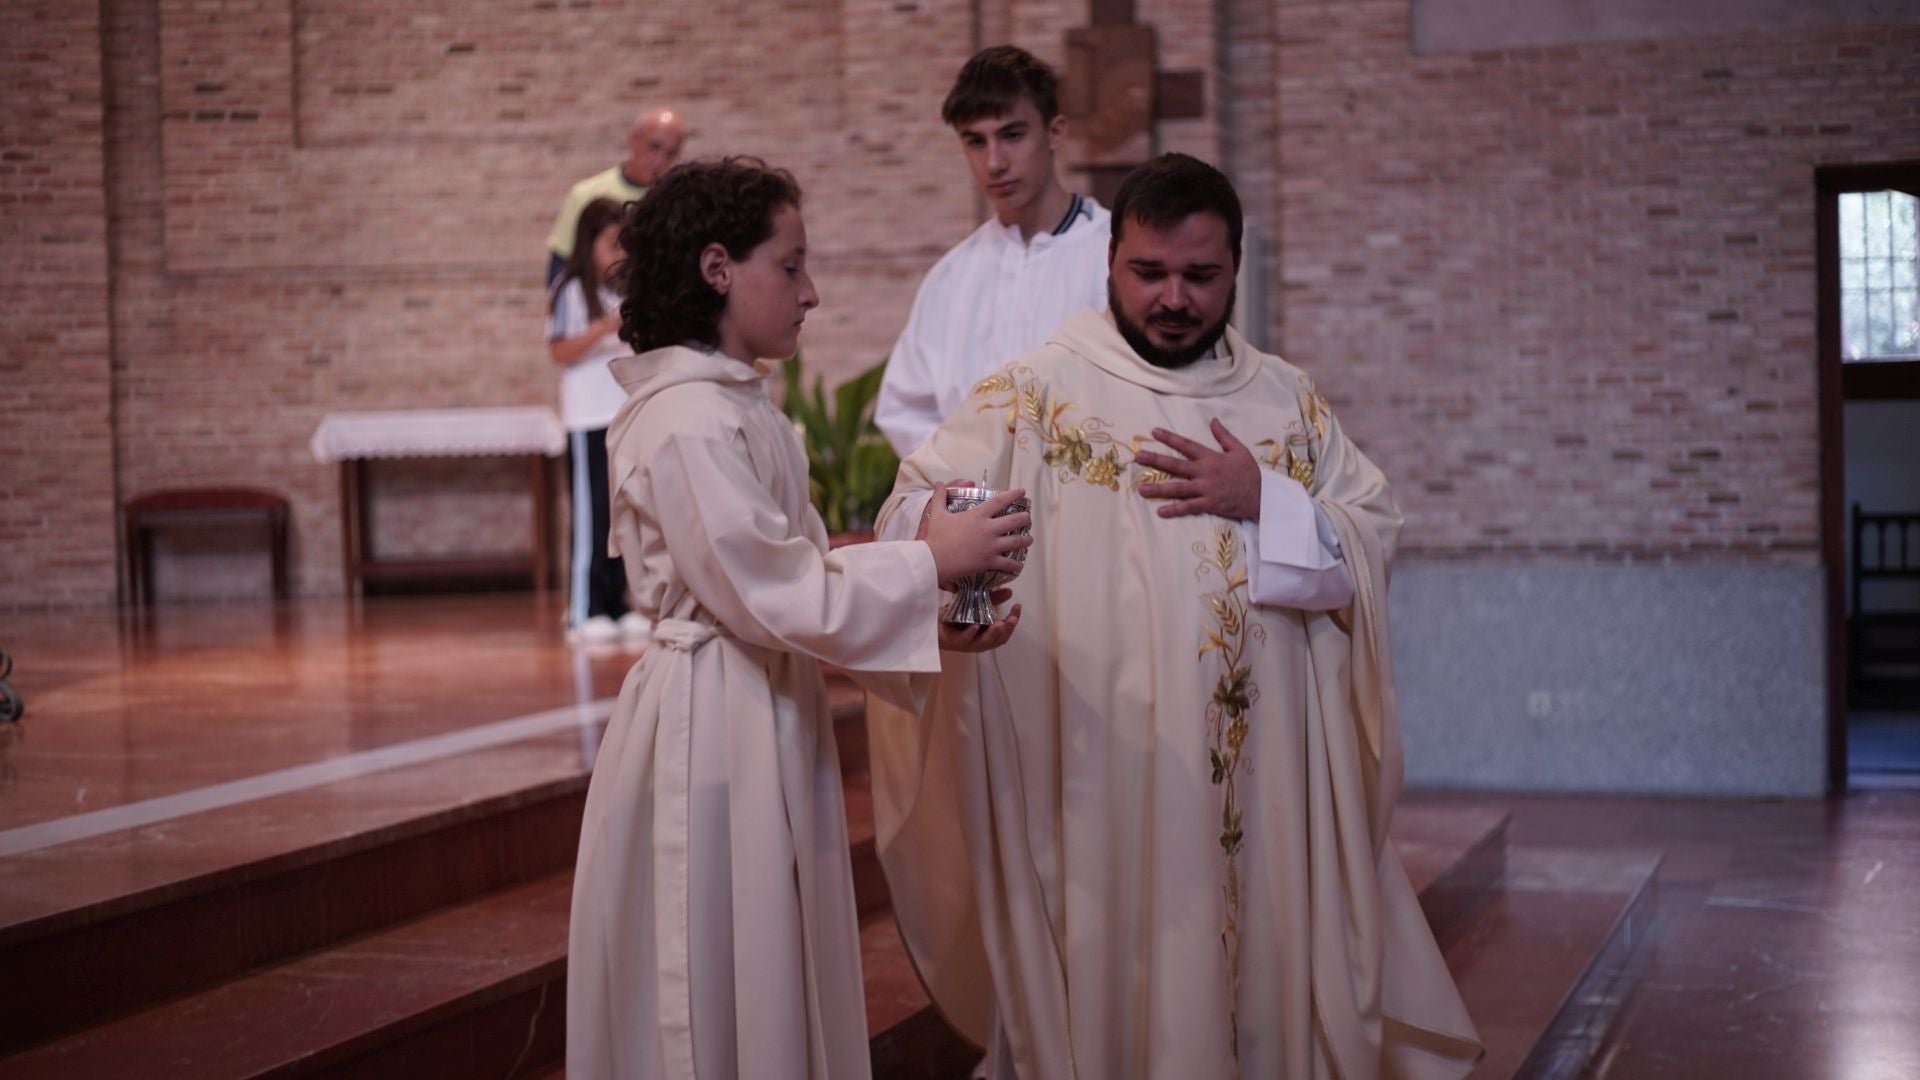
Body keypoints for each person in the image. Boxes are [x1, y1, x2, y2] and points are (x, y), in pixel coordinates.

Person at [866, 154, 1483, 1079]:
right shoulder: (1034, 395)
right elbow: (910, 507)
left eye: (1201, 276)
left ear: (1237, 268)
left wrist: (1266, 496)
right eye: (1148, 273)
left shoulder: (1287, 402)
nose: (1173, 300)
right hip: (1096, 772)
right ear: (1111, 263)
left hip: (1258, 781)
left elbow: (1371, 535)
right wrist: (950, 568)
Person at [566, 156, 1033, 1080]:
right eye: (791, 265)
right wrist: (928, 561)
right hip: (709, 723)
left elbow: (802, 572)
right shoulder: (687, 420)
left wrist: (928, 615)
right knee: (714, 974)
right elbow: (766, 591)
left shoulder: (740, 407)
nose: (810, 292)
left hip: (759, 700)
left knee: (769, 960)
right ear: (717, 269)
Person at [873, 45, 1111, 458]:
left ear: (1055, 132)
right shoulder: (950, 278)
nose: (994, 162)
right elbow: (907, 413)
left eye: (1012, 135)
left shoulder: (1113, 256)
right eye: (975, 142)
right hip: (978, 511)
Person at [548, 197, 642, 643]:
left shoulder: (626, 289)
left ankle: (617, 602)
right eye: (611, 244)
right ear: (588, 245)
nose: (620, 252)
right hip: (587, 417)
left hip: (622, 413)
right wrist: (602, 330)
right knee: (591, 515)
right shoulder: (571, 291)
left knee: (621, 512)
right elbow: (559, 350)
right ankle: (584, 609)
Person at [546, 107, 687, 285]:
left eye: (671, 153)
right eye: (654, 147)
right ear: (634, 139)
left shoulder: (678, 203)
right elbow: (560, 268)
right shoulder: (586, 194)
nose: (659, 160)